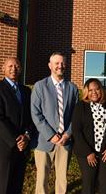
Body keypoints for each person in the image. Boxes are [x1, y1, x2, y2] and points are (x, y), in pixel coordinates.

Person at [31, 52, 78, 194]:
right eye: (56, 63)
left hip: (65, 141)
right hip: (44, 140)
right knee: (42, 178)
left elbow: (76, 116)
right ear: (50, 65)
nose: (60, 66)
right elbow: (35, 113)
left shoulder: (72, 88)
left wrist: (68, 134)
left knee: (62, 179)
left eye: (62, 63)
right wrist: (51, 135)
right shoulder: (40, 86)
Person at [0, 57, 33, 194]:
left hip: (22, 148)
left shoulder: (26, 91)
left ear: (21, 69)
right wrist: (15, 140)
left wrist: (26, 136)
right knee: (1, 187)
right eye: (10, 66)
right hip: (4, 148)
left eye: (17, 66)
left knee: (16, 187)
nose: (14, 69)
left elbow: (31, 117)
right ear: (3, 69)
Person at [72, 78, 106, 194]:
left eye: (97, 89)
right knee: (89, 184)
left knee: (105, 184)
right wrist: (88, 152)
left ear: (101, 90)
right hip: (86, 153)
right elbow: (76, 131)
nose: (94, 92)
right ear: (86, 92)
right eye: (90, 90)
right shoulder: (80, 106)